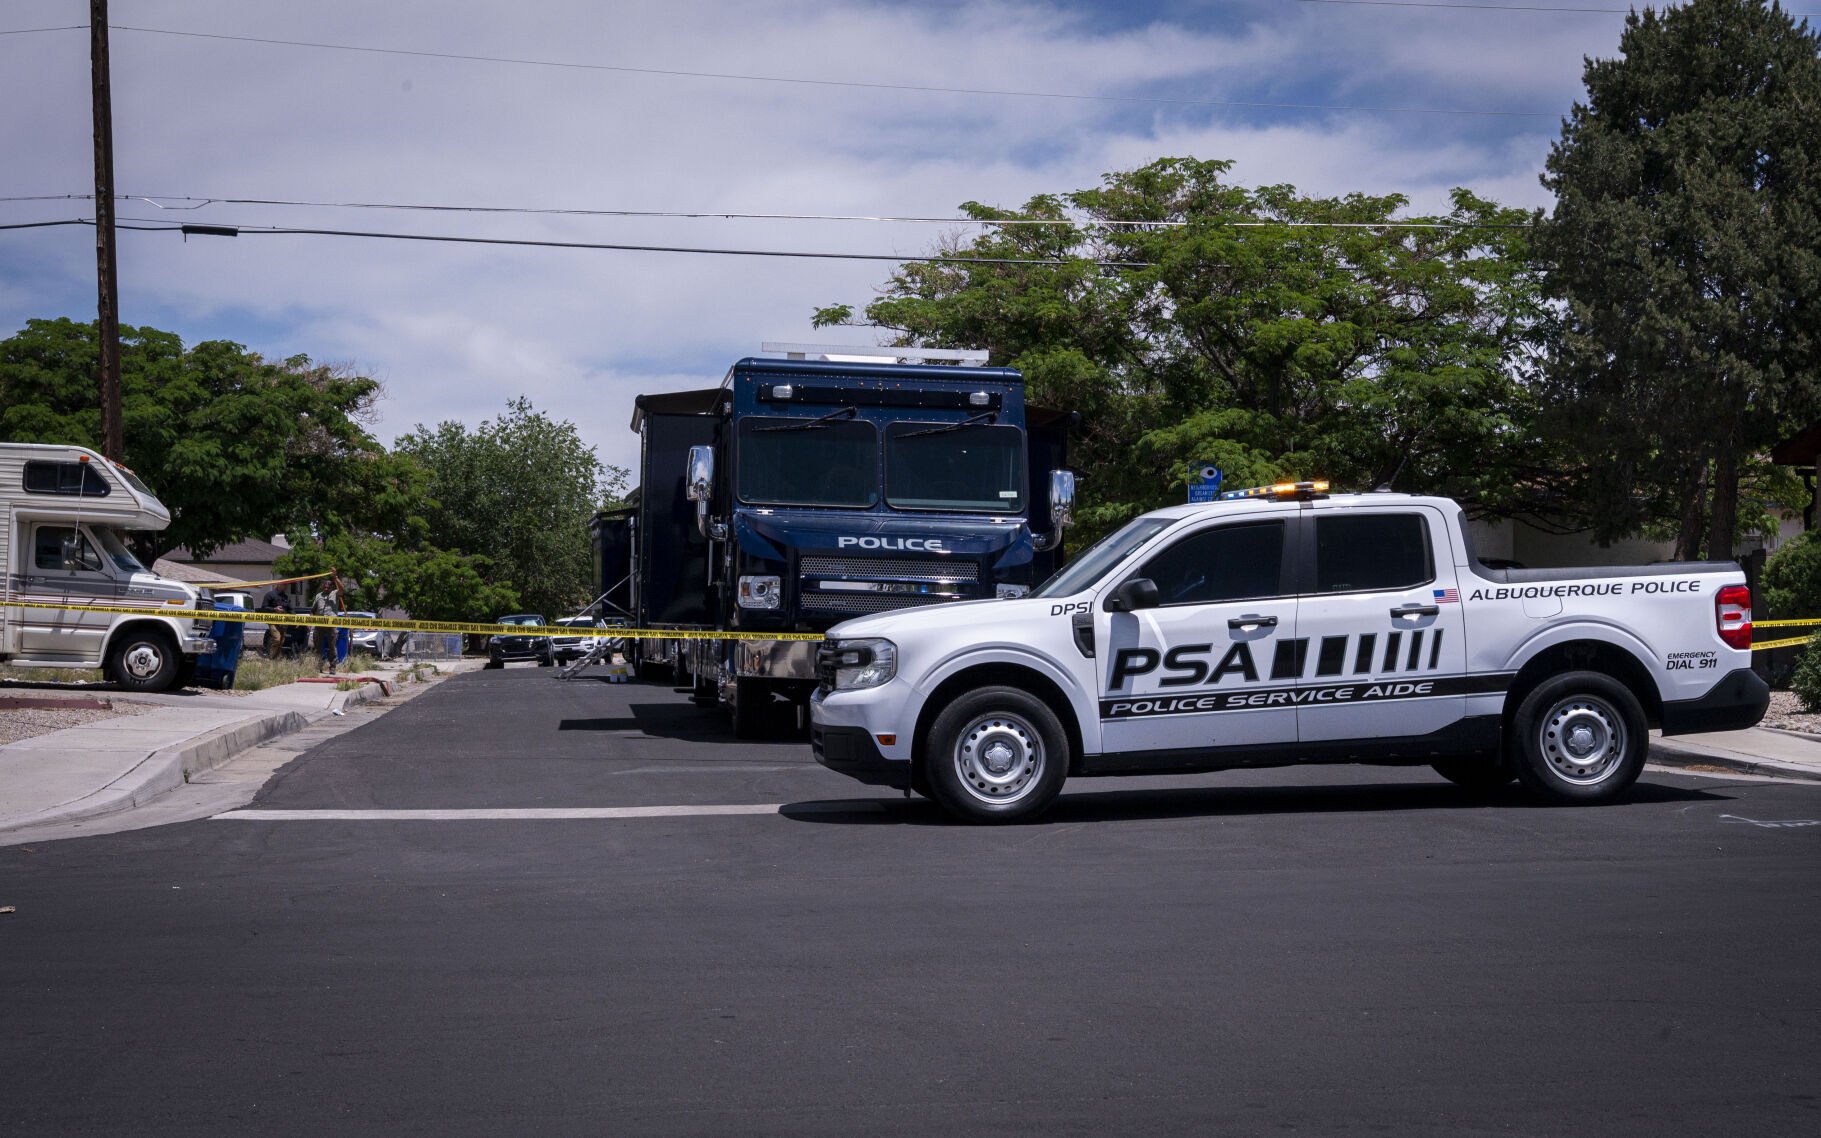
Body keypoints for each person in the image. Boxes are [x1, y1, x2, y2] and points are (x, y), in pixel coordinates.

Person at [312, 573, 344, 674]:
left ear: (331, 587)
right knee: (318, 646)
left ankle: (332, 667)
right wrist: (310, 621)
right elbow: (313, 610)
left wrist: (336, 577)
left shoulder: (335, 594)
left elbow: (342, 588)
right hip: (319, 623)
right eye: (324, 586)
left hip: (331, 623)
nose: (326, 588)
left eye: (328, 587)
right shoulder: (318, 596)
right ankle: (319, 665)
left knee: (332, 646)